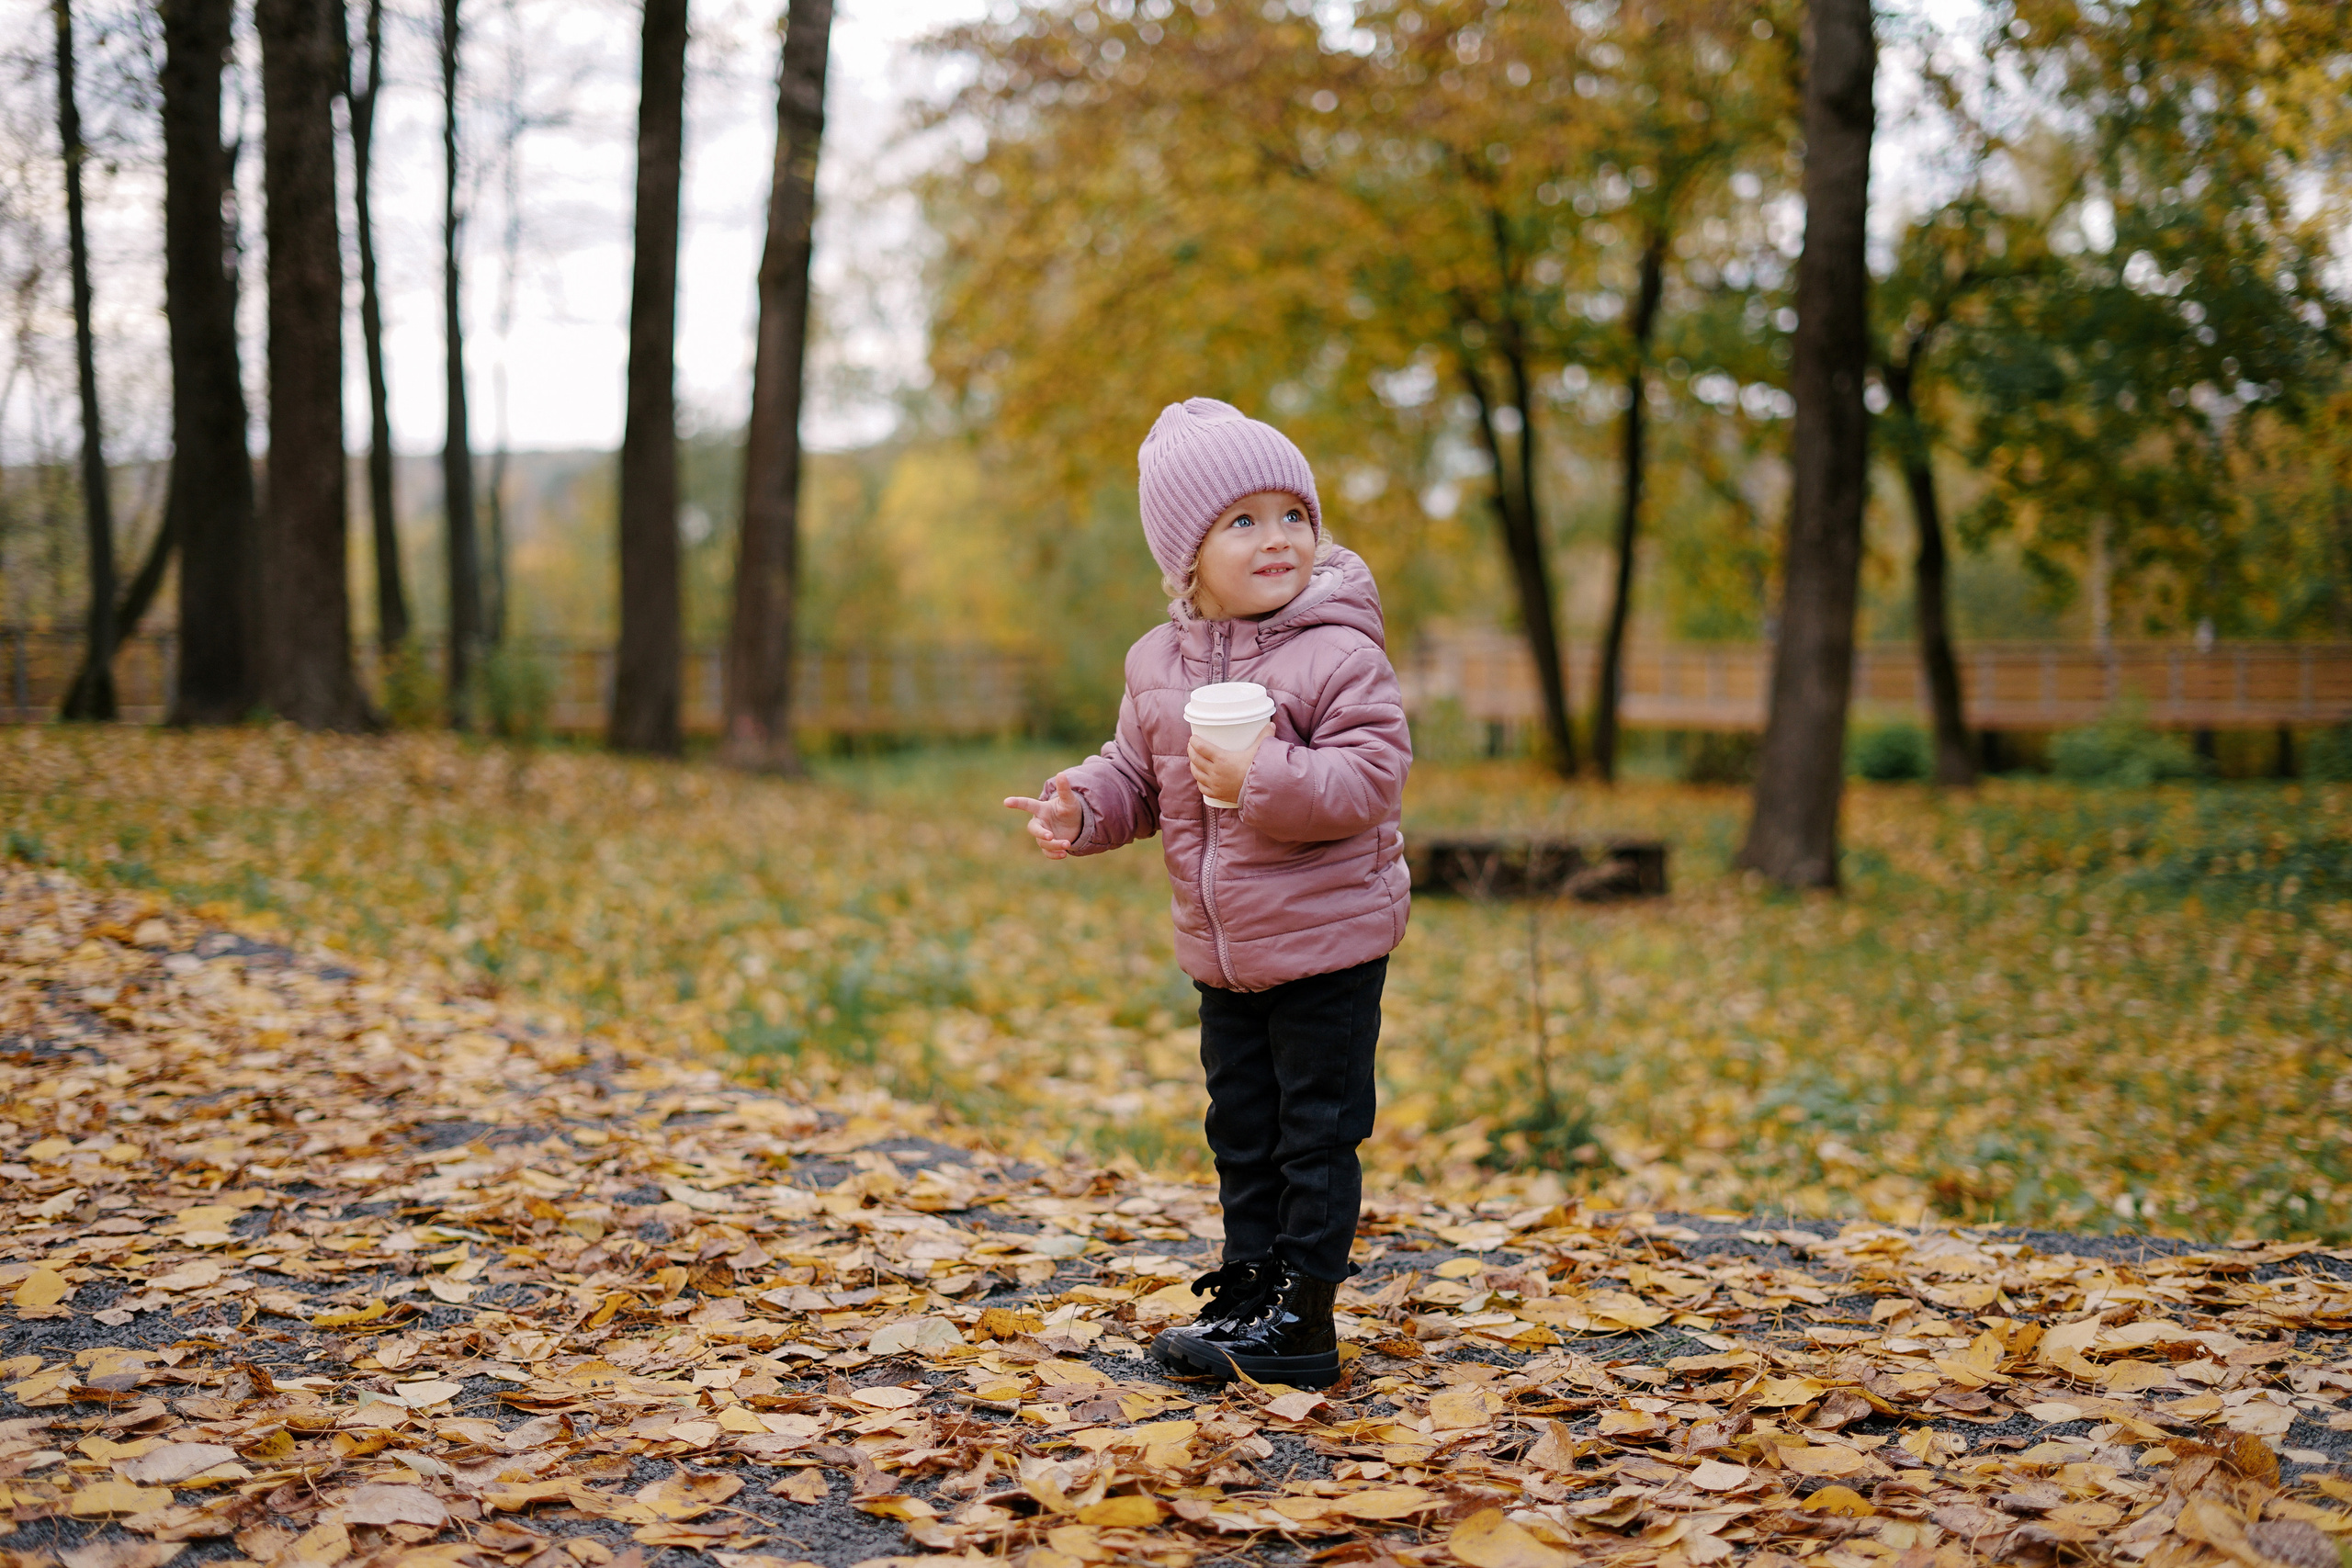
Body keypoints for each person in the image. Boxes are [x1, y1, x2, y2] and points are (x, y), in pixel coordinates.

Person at [1002, 398, 1412, 1388]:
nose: (1277, 538)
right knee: (1241, 1127)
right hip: (1223, 953)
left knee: (1315, 1133)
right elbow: (1136, 773)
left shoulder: (1338, 652)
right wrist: (1081, 806)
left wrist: (1258, 779)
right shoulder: (1157, 662)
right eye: (1242, 520)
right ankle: (1250, 1288)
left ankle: (1303, 1320)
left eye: (1292, 515)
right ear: (1186, 557)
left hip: (1326, 943)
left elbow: (1369, 779)